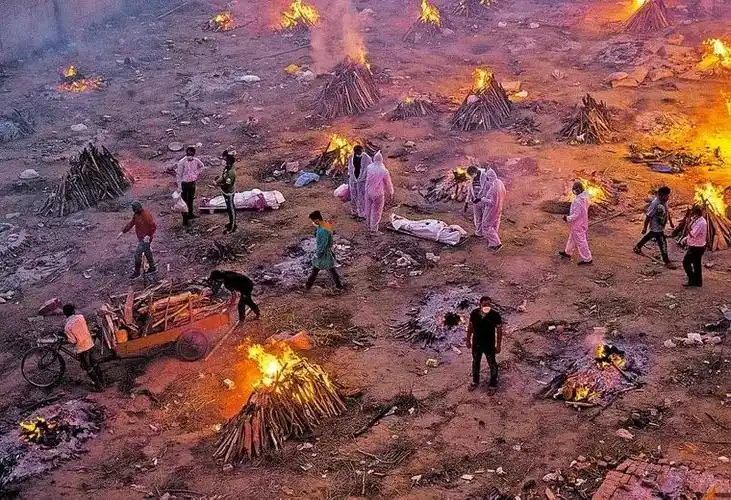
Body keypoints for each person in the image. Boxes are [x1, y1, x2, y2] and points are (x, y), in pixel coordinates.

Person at [63, 304, 104, 390]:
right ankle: (103, 382)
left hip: (82, 349)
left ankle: (99, 387)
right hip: (90, 343)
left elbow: (73, 341)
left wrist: (65, 336)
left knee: (88, 368)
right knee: (95, 364)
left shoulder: (67, 327)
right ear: (73, 311)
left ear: (65, 314)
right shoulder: (81, 317)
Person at [465, 296, 503, 390]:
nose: (487, 306)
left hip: (489, 344)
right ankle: (475, 381)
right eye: (485, 304)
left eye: (488, 304)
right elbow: (470, 327)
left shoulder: (495, 315)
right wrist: (468, 340)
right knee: (475, 362)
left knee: (492, 363)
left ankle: (493, 384)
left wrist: (498, 345)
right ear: (480, 304)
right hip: (476, 343)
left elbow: (499, 331)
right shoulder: (474, 313)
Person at [634, 186, 676, 268]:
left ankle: (637, 247)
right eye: (667, 196)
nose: (668, 197)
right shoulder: (655, 204)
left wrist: (671, 222)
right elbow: (648, 216)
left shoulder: (664, 201)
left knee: (649, 236)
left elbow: (667, 211)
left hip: (660, 227)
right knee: (663, 243)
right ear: (662, 195)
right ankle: (667, 261)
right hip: (656, 227)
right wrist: (644, 228)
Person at [305, 211, 343, 290]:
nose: (313, 222)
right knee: (330, 269)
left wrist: (318, 254)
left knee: (317, 270)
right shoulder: (325, 225)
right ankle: (339, 285)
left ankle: (308, 286)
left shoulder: (322, 230)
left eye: (313, 220)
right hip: (326, 252)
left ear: (317, 220)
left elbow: (323, 244)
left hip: (323, 253)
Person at [118, 201, 157, 279]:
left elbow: (153, 226)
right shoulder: (136, 214)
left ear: (137, 208)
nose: (133, 209)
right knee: (147, 252)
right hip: (141, 238)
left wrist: (148, 235)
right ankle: (152, 268)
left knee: (137, 254)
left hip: (145, 239)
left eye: (133, 208)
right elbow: (131, 223)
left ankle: (137, 273)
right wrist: (123, 232)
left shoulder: (146, 215)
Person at [559, 181, 593, 265]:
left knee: (581, 241)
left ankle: (587, 259)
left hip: (577, 224)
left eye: (575, 189)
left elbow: (576, 214)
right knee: (572, 238)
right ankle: (568, 252)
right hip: (581, 222)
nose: (574, 191)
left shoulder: (578, 201)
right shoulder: (585, 196)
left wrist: (567, 218)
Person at [363, 151, 394, 233]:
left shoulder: (369, 167)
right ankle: (374, 229)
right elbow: (388, 182)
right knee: (376, 211)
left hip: (368, 191)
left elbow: (366, 178)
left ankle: (368, 225)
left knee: (368, 208)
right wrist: (391, 192)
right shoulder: (384, 170)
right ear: (381, 160)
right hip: (378, 193)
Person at [175, 146, 205, 226]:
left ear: (194, 154)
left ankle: (191, 214)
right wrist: (179, 186)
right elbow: (179, 175)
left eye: (191, 154)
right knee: (184, 202)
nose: (190, 156)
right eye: (188, 154)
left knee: (191, 199)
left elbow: (202, 166)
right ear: (186, 154)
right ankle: (185, 220)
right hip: (184, 184)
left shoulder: (196, 160)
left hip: (192, 183)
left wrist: (197, 173)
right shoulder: (182, 162)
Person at [681, 206, 707, 287]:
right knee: (696, 264)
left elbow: (693, 234)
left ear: (697, 214)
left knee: (686, 262)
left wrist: (687, 227)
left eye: (693, 214)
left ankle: (692, 279)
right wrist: (686, 238)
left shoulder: (701, 223)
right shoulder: (698, 220)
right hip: (698, 245)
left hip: (696, 247)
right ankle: (698, 282)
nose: (692, 216)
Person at [481, 168, 506, 251]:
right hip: (499, 207)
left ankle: (496, 244)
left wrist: (483, 199)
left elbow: (492, 202)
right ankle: (492, 241)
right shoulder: (500, 182)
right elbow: (504, 193)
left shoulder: (493, 187)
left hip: (491, 209)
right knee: (495, 224)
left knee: (486, 225)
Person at [347, 145, 372, 219]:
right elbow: (350, 167)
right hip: (353, 180)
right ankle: (354, 212)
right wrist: (350, 175)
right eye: (358, 151)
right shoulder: (351, 157)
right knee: (353, 196)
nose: (360, 153)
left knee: (362, 197)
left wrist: (366, 178)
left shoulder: (367, 158)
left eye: (361, 151)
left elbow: (369, 169)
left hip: (362, 181)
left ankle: (362, 214)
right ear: (355, 151)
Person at [465, 165, 490, 237]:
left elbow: (487, 190)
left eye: (471, 174)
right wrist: (466, 202)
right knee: (477, 218)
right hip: (475, 202)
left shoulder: (485, 177)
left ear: (474, 172)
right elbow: (470, 191)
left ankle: (486, 234)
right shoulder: (472, 179)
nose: (471, 176)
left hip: (484, 201)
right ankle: (479, 233)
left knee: (485, 218)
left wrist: (480, 198)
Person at [216, 150, 237, 234]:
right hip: (225, 192)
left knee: (231, 209)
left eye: (225, 160)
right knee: (228, 208)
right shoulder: (226, 168)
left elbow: (227, 184)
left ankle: (232, 227)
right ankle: (231, 223)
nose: (223, 161)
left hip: (229, 192)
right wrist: (217, 181)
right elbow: (222, 176)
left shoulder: (231, 172)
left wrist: (217, 185)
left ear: (228, 162)